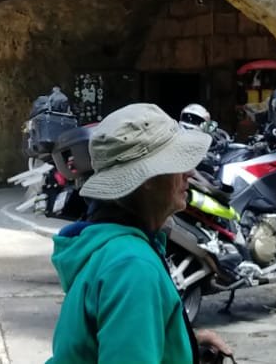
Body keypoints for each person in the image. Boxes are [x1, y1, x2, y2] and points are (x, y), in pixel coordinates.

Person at [48, 103, 236, 364]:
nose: (189, 173)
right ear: (147, 178)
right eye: (177, 162)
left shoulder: (107, 247)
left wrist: (182, 343)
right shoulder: (132, 266)